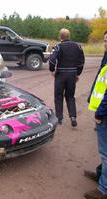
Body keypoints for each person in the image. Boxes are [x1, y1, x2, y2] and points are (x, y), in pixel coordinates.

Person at [84, 31, 107, 199]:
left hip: (105, 114)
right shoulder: (106, 56)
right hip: (102, 111)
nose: (104, 44)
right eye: (104, 40)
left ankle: (103, 189)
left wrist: (100, 113)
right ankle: (100, 174)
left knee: (106, 152)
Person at [49, 28, 85, 127]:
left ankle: (59, 118)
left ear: (60, 36)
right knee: (70, 96)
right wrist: (78, 73)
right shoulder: (77, 46)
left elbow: (52, 60)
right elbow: (81, 61)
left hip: (60, 74)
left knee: (58, 96)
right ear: (69, 36)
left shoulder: (58, 47)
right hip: (72, 74)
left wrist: (52, 70)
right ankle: (73, 117)